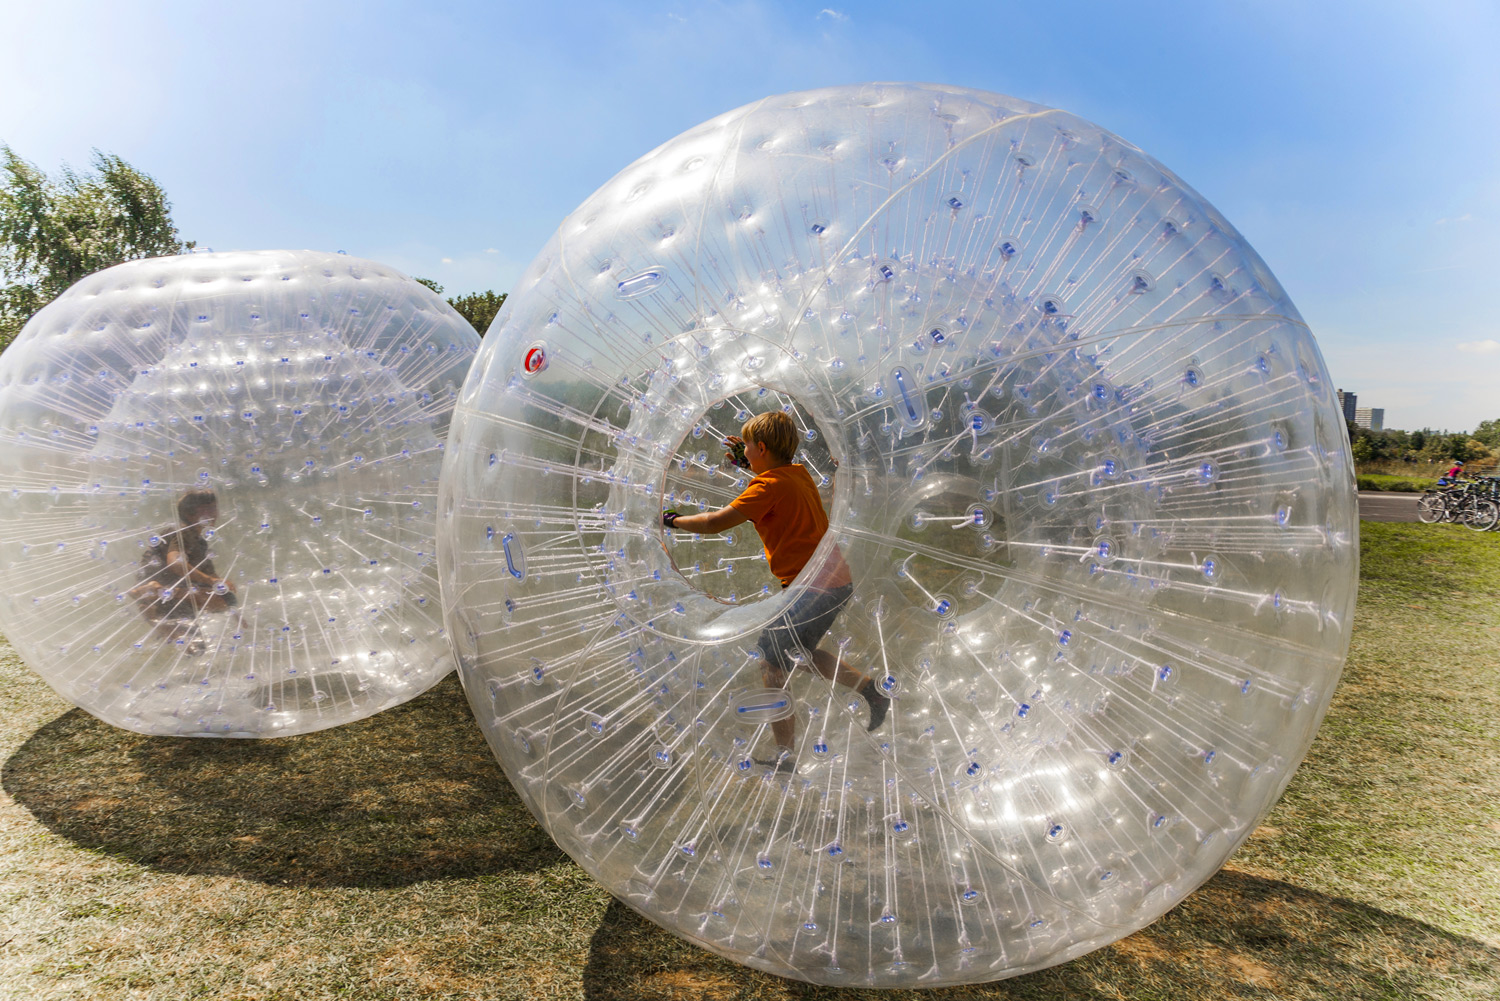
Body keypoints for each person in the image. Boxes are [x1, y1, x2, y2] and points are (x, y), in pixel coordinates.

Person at [662, 411, 888, 772]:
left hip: (813, 587)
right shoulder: (796, 475)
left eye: (747, 447)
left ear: (762, 448)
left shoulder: (767, 487)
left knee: (772, 661)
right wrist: (747, 465)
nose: (743, 452)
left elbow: (715, 521)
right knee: (798, 653)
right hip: (831, 583)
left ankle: (786, 756)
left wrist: (672, 520)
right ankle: (869, 690)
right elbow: (771, 483)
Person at [129, 489, 237, 651]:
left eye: (213, 508)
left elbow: (216, 582)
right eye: (205, 509)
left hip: (172, 596)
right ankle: (154, 592)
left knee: (194, 648)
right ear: (189, 513)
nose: (212, 514)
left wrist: (234, 611)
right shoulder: (182, 532)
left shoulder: (199, 542)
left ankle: (156, 600)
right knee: (192, 646)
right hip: (163, 588)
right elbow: (176, 563)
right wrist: (210, 581)